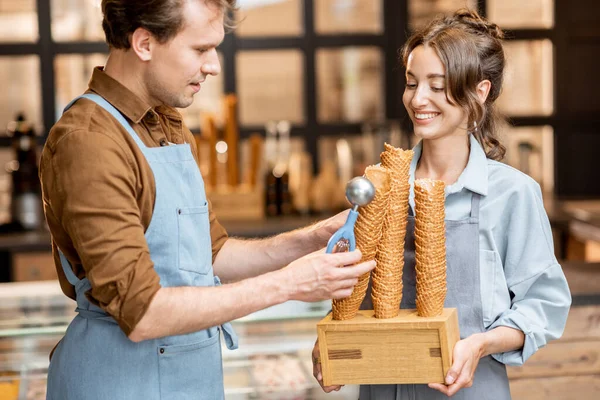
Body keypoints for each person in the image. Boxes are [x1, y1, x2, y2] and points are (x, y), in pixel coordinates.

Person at [40, 0, 376, 399]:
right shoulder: (89, 141)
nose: (214, 65)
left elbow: (210, 255)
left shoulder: (168, 122)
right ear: (144, 43)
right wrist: (290, 284)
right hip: (120, 384)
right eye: (200, 49)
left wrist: (308, 239)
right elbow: (143, 312)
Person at [312, 9, 571, 399]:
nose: (418, 99)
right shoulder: (380, 186)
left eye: (437, 85)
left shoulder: (512, 193)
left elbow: (543, 305)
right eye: (412, 83)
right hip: (384, 389)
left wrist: (480, 344)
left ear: (479, 91)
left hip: (472, 389)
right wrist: (334, 338)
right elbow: (358, 288)